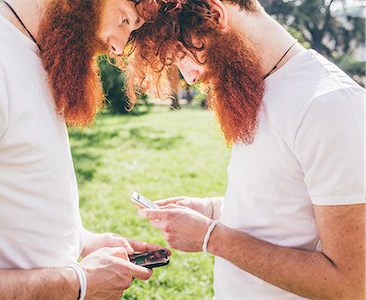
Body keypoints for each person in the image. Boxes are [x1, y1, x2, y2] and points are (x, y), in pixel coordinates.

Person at [0, 0, 163, 299]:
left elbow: (7, 208)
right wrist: (79, 284)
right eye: (124, 19)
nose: (118, 47)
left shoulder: (36, 57)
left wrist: (82, 242)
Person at [127, 0, 366, 298]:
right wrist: (212, 210)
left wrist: (210, 237)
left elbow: (351, 284)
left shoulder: (329, 105)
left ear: (215, 15)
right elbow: (288, 207)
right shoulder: (259, 89)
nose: (190, 77)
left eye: (183, 56)